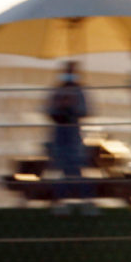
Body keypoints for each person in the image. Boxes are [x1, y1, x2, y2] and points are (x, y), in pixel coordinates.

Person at [43, 61, 88, 206]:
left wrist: (72, 107)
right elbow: (49, 110)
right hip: (59, 133)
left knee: (74, 166)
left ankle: (79, 198)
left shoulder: (79, 91)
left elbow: (85, 110)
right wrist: (60, 105)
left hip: (73, 133)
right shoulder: (57, 91)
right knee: (60, 165)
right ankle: (59, 199)